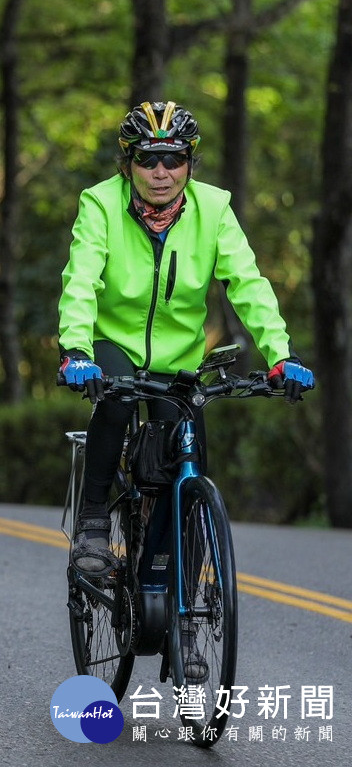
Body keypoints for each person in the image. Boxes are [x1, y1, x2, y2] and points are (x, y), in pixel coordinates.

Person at [58, 101, 314, 675]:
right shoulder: (100, 203)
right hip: (113, 346)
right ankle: (96, 523)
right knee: (118, 400)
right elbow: (81, 279)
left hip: (179, 361)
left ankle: (183, 619)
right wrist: (76, 349)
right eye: (148, 158)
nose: (161, 171)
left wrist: (282, 355)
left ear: (189, 163)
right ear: (129, 163)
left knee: (188, 466)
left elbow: (248, 284)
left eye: (173, 159)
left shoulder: (214, 209)